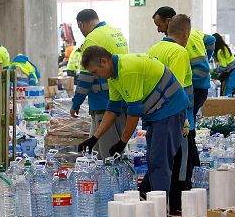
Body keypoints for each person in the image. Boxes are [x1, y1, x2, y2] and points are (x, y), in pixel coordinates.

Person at [77, 47, 188, 201]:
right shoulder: (114, 76)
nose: (96, 76)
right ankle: (148, 199)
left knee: (159, 160)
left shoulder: (127, 70)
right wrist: (94, 137)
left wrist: (122, 142)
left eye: (95, 72)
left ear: (104, 61)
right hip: (157, 112)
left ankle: (160, 210)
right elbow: (112, 110)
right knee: (153, 158)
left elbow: (134, 112)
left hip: (170, 108)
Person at [146, 14, 195, 214]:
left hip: (153, 113)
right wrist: (184, 120)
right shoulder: (179, 52)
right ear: (186, 33)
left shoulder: (154, 49)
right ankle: (172, 206)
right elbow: (175, 87)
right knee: (179, 164)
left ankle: (151, 199)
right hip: (174, 116)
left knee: (157, 160)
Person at [70, 9, 129, 159]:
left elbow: (85, 78)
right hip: (120, 97)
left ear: (81, 24)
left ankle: (111, 182)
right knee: (97, 150)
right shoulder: (115, 32)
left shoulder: (92, 39)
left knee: (108, 155)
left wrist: (76, 103)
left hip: (104, 104)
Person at [152, 6, 215, 119]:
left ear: (168, 21)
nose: (159, 30)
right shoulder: (191, 33)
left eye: (159, 25)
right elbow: (210, 40)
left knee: (187, 123)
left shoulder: (185, 38)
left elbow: (201, 69)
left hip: (196, 88)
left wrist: (188, 79)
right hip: (194, 88)